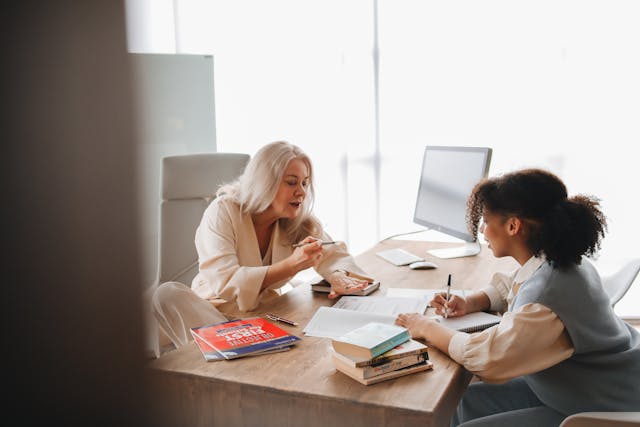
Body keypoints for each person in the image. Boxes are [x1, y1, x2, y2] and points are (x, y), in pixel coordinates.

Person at [395, 168, 640, 426]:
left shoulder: (545, 301)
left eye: (486, 221)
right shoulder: (561, 261)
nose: (482, 230)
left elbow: (488, 359)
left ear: (513, 226)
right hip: (592, 382)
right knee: (463, 400)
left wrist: (426, 327)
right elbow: (517, 283)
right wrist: (472, 302)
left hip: (604, 404)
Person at [153, 141, 372, 348]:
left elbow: (333, 254)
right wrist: (291, 266)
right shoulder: (223, 211)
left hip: (264, 314)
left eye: (305, 183)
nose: (302, 192)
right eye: (292, 182)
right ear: (265, 181)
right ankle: (233, 348)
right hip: (212, 311)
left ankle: (237, 350)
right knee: (166, 293)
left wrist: (338, 276)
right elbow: (226, 282)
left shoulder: (298, 222)